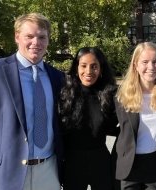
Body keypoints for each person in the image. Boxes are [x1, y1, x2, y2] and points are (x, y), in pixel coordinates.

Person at [0, 13, 64, 190]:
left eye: (42, 37)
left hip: (49, 173)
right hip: (4, 177)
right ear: (17, 37)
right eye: (29, 36)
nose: (36, 42)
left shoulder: (58, 77)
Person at [113, 42, 156, 190]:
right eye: (145, 62)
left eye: (155, 62)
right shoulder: (121, 95)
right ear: (135, 65)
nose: (151, 67)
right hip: (129, 167)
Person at [58, 47, 118, 190]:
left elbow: (120, 124)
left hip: (100, 159)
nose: (89, 72)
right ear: (76, 67)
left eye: (94, 66)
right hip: (72, 161)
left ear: (101, 68)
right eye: (83, 66)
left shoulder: (110, 95)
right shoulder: (65, 93)